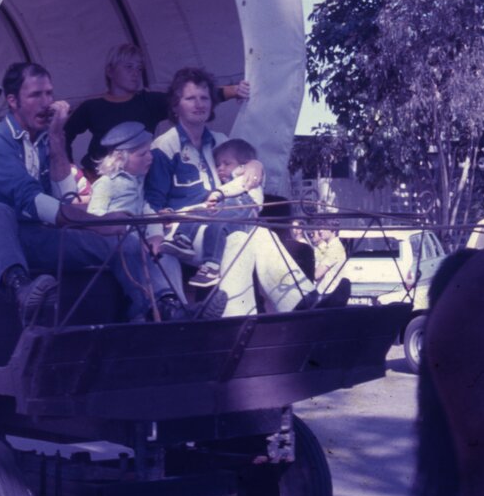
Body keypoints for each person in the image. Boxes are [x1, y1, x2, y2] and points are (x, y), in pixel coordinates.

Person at [0, 62, 188, 324]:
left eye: (49, 93)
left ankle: (165, 308)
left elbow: (66, 197)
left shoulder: (44, 140)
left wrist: (56, 137)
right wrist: (96, 222)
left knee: (123, 241)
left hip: (32, 235)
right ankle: (21, 289)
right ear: (13, 101)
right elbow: (30, 199)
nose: (46, 103)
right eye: (35, 95)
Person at [145, 67, 350, 315]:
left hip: (222, 220)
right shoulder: (165, 147)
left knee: (258, 233)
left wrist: (255, 164)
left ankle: (303, 302)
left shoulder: (221, 142)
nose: (199, 104)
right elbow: (152, 201)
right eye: (190, 98)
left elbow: (245, 172)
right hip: (183, 229)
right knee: (241, 236)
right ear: (176, 105)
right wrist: (155, 235)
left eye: (205, 98)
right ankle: (238, 318)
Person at [87, 121, 226, 319]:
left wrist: (156, 235)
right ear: (121, 158)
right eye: (142, 154)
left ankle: (179, 307)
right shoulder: (106, 184)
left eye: (149, 152)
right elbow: (96, 220)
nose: (150, 158)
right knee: (136, 249)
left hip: (139, 240)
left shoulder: (140, 181)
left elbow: (147, 208)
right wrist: (124, 227)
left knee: (166, 254)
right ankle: (166, 309)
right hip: (117, 243)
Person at [64, 43, 250, 180]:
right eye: (128, 67)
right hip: (96, 177)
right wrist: (71, 168)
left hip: (137, 179)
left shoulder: (148, 101)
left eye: (139, 68)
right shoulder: (92, 106)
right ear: (110, 71)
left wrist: (234, 91)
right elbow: (65, 133)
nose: (135, 73)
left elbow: (193, 96)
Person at [161, 138, 264, 289]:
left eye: (226, 163)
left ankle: (212, 266)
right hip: (228, 206)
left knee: (216, 226)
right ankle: (183, 240)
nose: (220, 168)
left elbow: (239, 185)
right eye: (217, 165)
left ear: (243, 164)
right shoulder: (226, 180)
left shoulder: (246, 174)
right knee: (199, 212)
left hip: (245, 206)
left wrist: (219, 192)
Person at [314, 221, 347, 292]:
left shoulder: (334, 248)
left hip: (329, 293)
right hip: (327, 292)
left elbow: (316, 275)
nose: (320, 231)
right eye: (320, 228)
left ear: (334, 230)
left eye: (324, 228)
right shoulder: (329, 247)